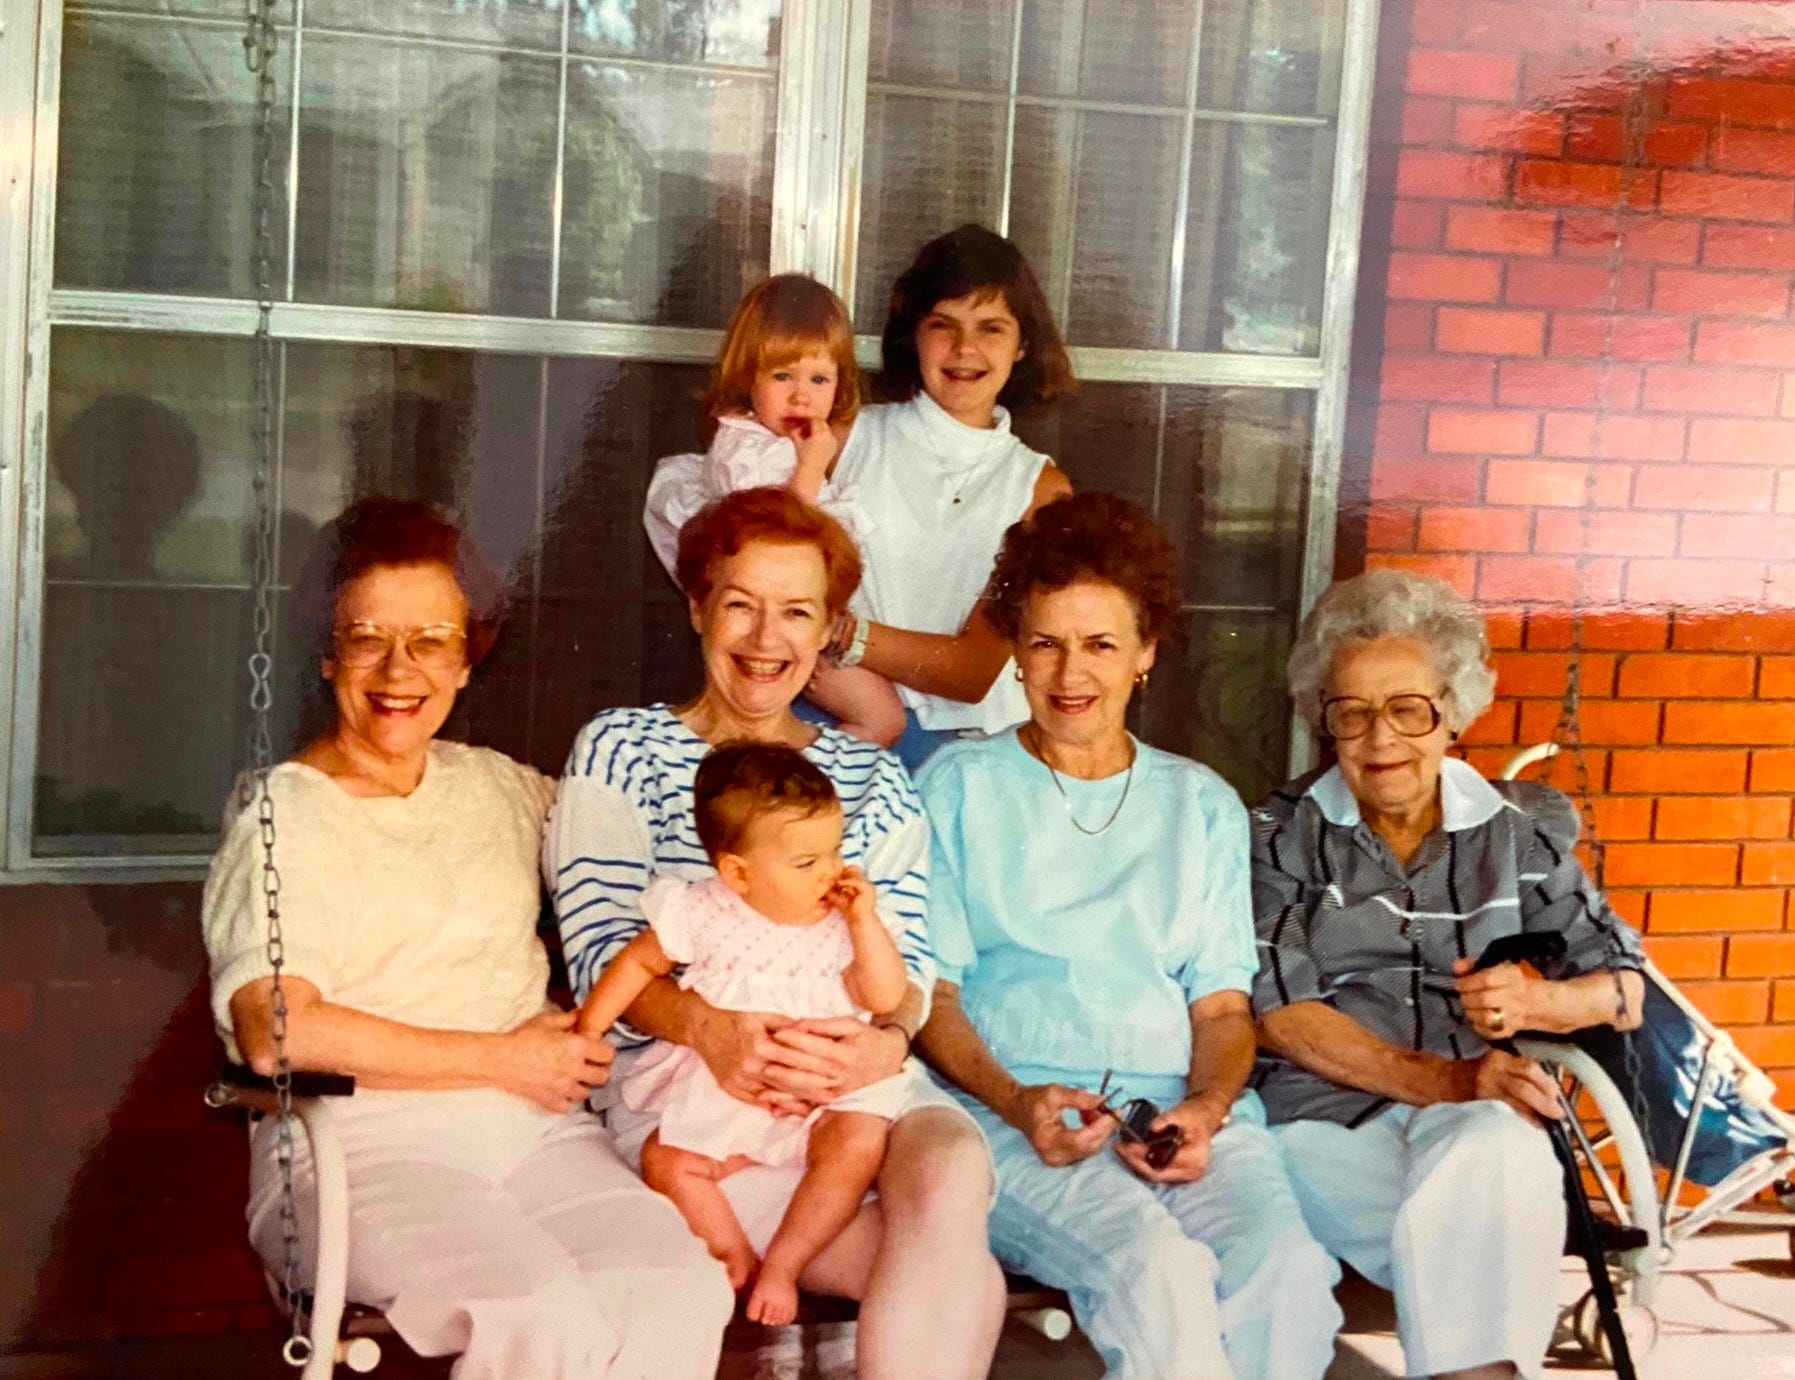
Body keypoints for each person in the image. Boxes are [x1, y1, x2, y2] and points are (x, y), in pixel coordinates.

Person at [201, 497, 732, 1380]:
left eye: (431, 641)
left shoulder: (494, 788)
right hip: (359, 1146)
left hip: (535, 1136)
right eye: (367, 637)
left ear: (465, 660)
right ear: (327, 653)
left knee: (674, 1292)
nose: (398, 669)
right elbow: (274, 1033)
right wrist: (503, 1059)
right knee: (535, 1315)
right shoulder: (284, 812)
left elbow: (643, 846)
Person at [546, 486, 1005, 1379]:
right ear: (696, 608)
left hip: (849, 1083)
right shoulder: (623, 749)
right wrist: (712, 1031)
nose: (766, 639)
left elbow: (909, 966)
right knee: (959, 1281)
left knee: (950, 1163)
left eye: (796, 611)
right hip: (696, 1098)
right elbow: (603, 953)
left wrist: (882, 1043)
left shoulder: (870, 776)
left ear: (828, 628)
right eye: (739, 605)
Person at [915, 492, 1341, 1380]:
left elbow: (1220, 1009)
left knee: (1289, 1276)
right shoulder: (957, 788)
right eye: (1045, 642)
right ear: (1016, 652)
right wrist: (1015, 1102)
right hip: (1013, 1118)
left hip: (1175, 1113)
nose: (1070, 673)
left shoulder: (1199, 803)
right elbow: (932, 999)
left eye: (1101, 644)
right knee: (1158, 1276)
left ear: (1145, 652)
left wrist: (1205, 1111)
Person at [1251, 567, 1647, 1380]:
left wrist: (1540, 1000)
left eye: (1408, 709)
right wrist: (1448, 1079)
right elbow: (1280, 1014)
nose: (1380, 739)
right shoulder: (1278, 837)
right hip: (1318, 1120)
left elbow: (1625, 990)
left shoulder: (1516, 836)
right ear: (1323, 720)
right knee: (1484, 1217)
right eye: (1351, 712)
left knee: (1495, 1147)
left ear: (1453, 712)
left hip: (1471, 1115)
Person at [576, 742, 925, 1326]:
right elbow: (637, 964)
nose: (831, 871)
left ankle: (785, 1262)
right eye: (806, 862)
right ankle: (732, 1254)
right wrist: (587, 1030)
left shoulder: (846, 921)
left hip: (826, 1094)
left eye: (835, 849)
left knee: (858, 1145)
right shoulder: (703, 911)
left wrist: (865, 923)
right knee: (668, 1161)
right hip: (730, 1089)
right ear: (737, 873)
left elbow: (886, 997)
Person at [815, 223, 1078, 771]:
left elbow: (972, 671)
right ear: (913, 334)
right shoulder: (843, 440)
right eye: (943, 325)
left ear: (1022, 344)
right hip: (839, 720)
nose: (965, 349)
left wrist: (841, 632)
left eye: (991, 328)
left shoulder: (1041, 488)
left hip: (969, 751)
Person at [643, 273, 905, 747]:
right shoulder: (743, 450)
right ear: (749, 378)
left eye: (819, 379)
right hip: (779, 625)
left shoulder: (784, 441)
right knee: (881, 718)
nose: (802, 395)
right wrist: (811, 467)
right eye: (783, 376)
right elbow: (783, 540)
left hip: (811, 622)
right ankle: (804, 779)